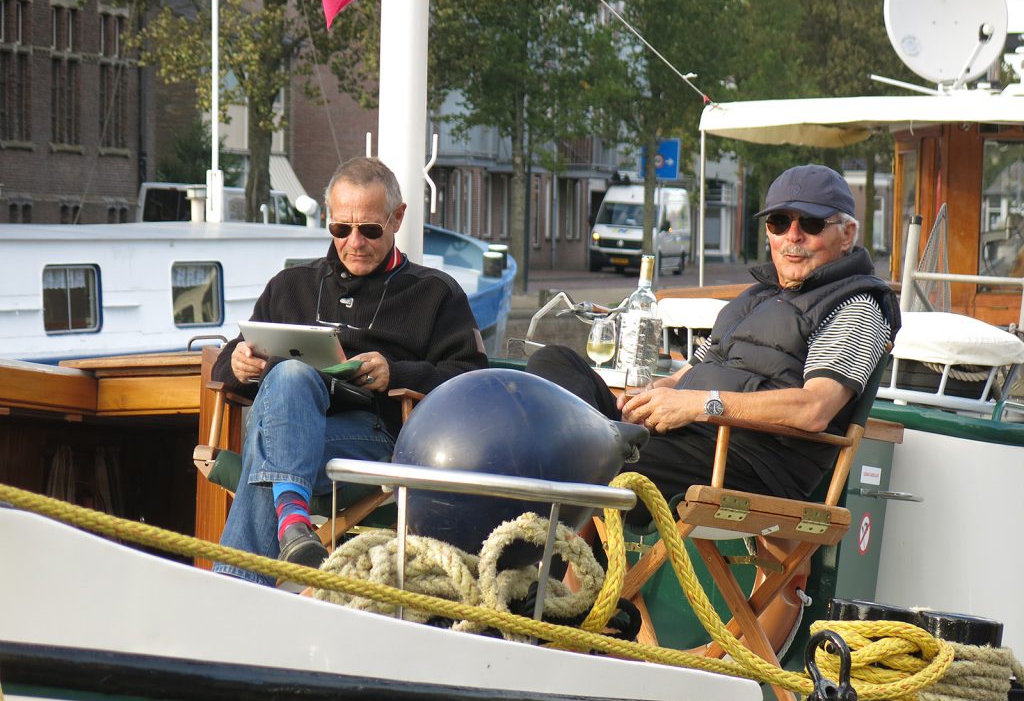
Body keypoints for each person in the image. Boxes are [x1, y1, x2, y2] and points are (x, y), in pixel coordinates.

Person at [528, 164, 900, 526]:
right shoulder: (755, 297)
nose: (793, 236)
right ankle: (595, 448)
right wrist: (650, 397)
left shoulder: (856, 307)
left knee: (588, 458)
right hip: (690, 436)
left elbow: (814, 409)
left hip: (748, 459)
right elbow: (691, 373)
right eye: (779, 223)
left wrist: (696, 405)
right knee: (553, 363)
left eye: (812, 224)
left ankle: (550, 577)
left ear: (848, 234)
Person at [212, 157, 488, 584]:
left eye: (370, 229)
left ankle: (238, 585)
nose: (354, 241)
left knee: (271, 443)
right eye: (341, 228)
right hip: (291, 425)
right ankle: (292, 523)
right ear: (328, 220)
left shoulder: (435, 292)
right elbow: (229, 357)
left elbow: (470, 379)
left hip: (373, 437)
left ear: (397, 218)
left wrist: (396, 374)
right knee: (290, 377)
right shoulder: (291, 285)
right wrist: (236, 361)